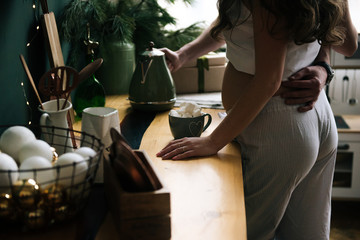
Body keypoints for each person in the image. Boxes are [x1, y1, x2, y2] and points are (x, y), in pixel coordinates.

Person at [157, 0, 358, 239]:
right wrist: (183, 55)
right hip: (313, 118)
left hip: (278, 130)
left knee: (243, 232)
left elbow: (269, 80)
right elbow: (347, 43)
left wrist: (213, 141)